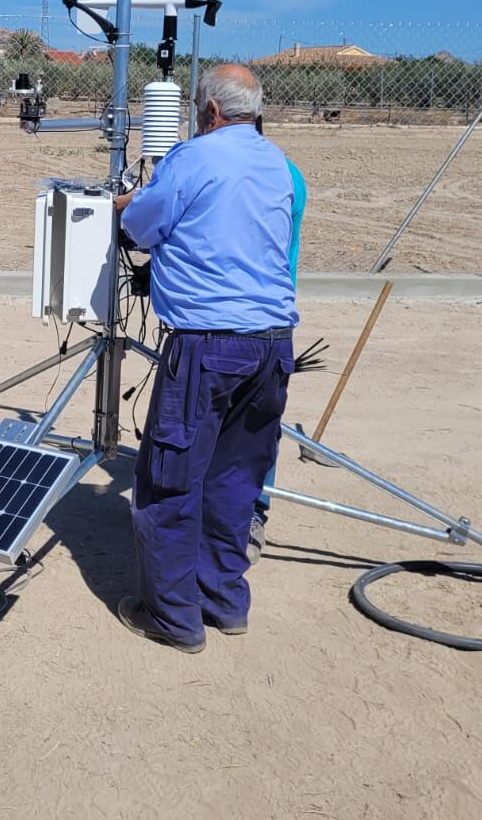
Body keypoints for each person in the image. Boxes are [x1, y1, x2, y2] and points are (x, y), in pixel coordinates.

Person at [111, 64, 297, 652]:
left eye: (196, 107)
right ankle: (224, 602)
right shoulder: (277, 163)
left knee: (170, 478)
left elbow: (140, 228)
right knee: (236, 478)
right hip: (271, 348)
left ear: (210, 112)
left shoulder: (192, 157)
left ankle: (173, 618)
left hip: (207, 348)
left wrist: (126, 203)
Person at [248, 138, 307, 562]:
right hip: (273, 325)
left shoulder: (273, 175)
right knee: (258, 426)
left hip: (236, 322)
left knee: (253, 426)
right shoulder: (288, 172)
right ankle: (249, 512)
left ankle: (251, 512)